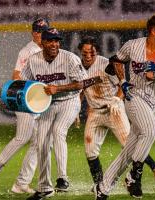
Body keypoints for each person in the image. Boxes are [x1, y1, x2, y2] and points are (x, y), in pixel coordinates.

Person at [95, 15, 155, 199]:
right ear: (153, 31)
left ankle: (103, 188)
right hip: (135, 97)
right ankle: (134, 176)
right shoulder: (133, 45)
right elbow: (115, 61)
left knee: (129, 150)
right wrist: (122, 82)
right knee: (150, 132)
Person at [21, 28, 101, 200]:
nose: (54, 44)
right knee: (41, 141)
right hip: (47, 104)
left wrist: (59, 88)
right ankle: (44, 188)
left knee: (58, 132)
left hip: (69, 101)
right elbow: (24, 82)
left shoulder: (69, 58)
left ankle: (62, 178)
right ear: (42, 43)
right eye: (50, 40)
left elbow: (81, 84)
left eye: (57, 40)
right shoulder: (33, 60)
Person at [78, 36, 155, 189]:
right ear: (80, 51)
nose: (88, 55)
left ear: (96, 52)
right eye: (85, 52)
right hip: (95, 112)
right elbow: (79, 89)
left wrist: (117, 99)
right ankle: (100, 184)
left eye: (91, 52)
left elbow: (122, 84)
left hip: (114, 109)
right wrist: (76, 108)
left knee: (129, 145)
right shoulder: (77, 66)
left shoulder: (106, 64)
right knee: (90, 152)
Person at [0, 18, 49, 194]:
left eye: (42, 30)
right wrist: (30, 89)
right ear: (32, 32)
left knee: (38, 142)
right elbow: (16, 74)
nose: (39, 34)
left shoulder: (46, 50)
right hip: (25, 99)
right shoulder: (29, 51)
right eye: (37, 31)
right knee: (22, 138)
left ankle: (21, 183)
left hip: (37, 101)